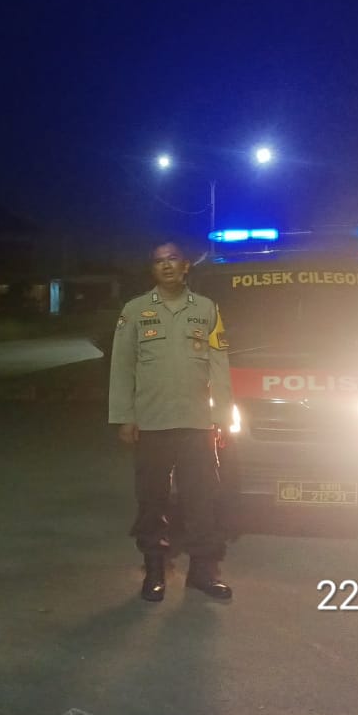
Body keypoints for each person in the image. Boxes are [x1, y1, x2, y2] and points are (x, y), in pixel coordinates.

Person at [108, 240, 235, 602]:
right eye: (158, 261)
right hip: (152, 422)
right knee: (152, 500)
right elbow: (122, 366)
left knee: (202, 498)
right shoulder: (135, 310)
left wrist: (222, 416)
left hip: (197, 423)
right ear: (153, 269)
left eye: (172, 259)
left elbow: (219, 365)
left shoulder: (207, 309)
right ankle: (154, 570)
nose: (165, 265)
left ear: (185, 266)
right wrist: (124, 416)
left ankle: (203, 572)